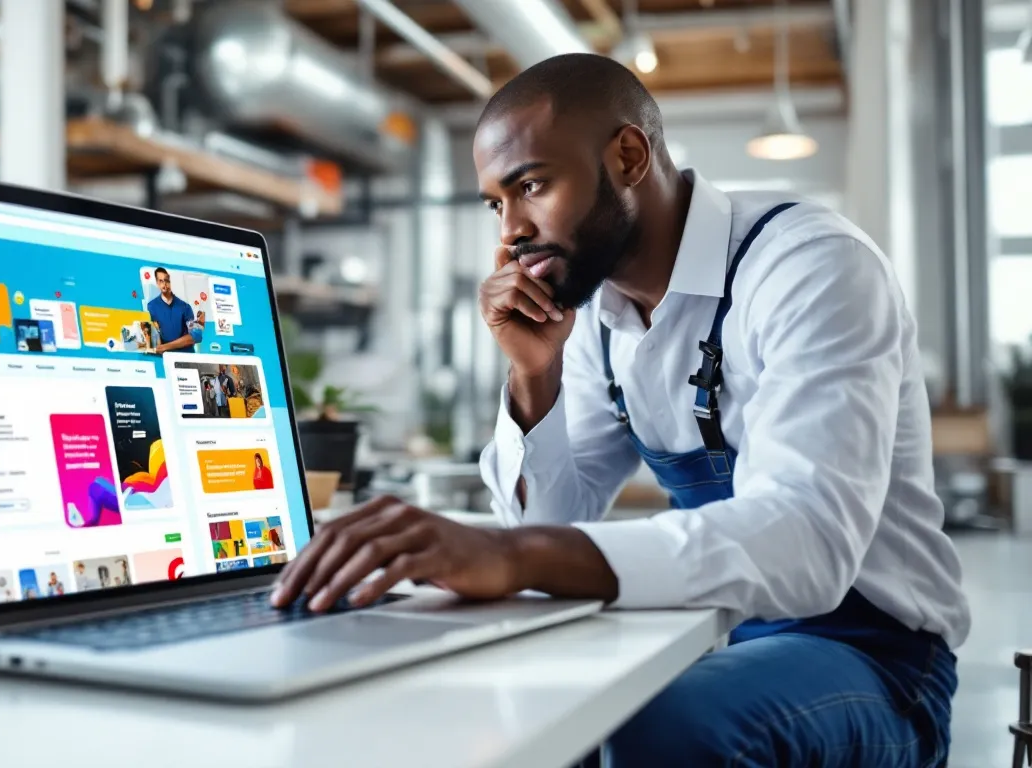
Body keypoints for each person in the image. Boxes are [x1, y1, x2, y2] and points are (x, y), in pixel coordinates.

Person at [269, 53, 968, 767]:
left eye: (531, 185)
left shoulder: (809, 265)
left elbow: (809, 544)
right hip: (731, 635)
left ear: (629, 156)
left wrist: (507, 554)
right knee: (526, 712)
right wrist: (532, 374)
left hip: (876, 656)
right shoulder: (596, 319)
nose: (509, 231)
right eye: (495, 203)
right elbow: (549, 531)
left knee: (662, 728)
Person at [146, 267, 195, 355]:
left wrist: (165, 347)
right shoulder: (151, 307)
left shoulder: (185, 307)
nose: (164, 284)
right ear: (157, 283)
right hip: (164, 358)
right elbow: (151, 334)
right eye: (161, 281)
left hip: (185, 356)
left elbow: (193, 337)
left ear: (170, 281)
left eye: (166, 280)